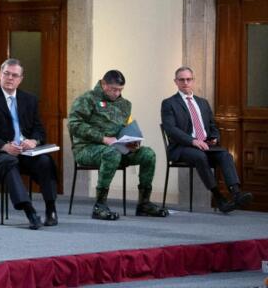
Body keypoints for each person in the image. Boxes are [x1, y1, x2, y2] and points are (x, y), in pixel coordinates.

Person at [69, 70, 168, 220]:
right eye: (113, 89)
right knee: (111, 153)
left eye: (120, 90)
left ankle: (144, 203)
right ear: (103, 84)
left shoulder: (125, 105)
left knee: (148, 154)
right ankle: (99, 205)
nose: (116, 93)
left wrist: (132, 141)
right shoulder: (87, 99)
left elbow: (126, 126)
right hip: (87, 149)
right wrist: (103, 138)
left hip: (118, 148)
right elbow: (74, 125)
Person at [0, 58, 58, 230]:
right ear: (0, 74)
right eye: (6, 74)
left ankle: (51, 208)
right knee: (9, 162)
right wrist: (5, 147)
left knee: (45, 161)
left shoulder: (30, 99)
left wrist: (33, 141)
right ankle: (29, 211)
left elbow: (39, 130)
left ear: (20, 79)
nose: (10, 78)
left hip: (25, 152)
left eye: (14, 75)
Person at [160, 66, 253, 213]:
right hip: (182, 148)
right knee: (200, 156)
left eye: (188, 79)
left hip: (206, 145)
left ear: (193, 81)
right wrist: (193, 141)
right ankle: (219, 198)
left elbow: (212, 125)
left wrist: (214, 138)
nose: (185, 82)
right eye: (182, 80)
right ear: (176, 82)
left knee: (225, 154)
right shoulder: (169, 103)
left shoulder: (202, 102)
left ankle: (236, 193)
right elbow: (171, 129)